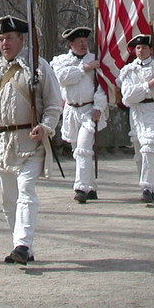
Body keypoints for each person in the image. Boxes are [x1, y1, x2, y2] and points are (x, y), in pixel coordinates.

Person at [0, 15, 62, 265]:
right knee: (9, 199)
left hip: (30, 143)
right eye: (1, 39)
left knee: (26, 191)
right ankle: (22, 247)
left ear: (22, 40)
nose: (5, 43)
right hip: (2, 143)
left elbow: (54, 105)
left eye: (9, 38)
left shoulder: (38, 67)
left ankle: (22, 244)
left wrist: (45, 127)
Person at [117, 34, 154, 203]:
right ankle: (143, 184)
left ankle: (148, 188)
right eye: (138, 48)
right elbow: (128, 97)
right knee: (139, 152)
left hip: (152, 110)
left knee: (149, 147)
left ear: (151, 50)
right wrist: (147, 85)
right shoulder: (128, 71)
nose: (141, 51)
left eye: (144, 47)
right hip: (136, 112)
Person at [50, 26, 106, 203]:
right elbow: (62, 78)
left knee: (83, 148)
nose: (83, 44)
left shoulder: (96, 60)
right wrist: (85, 68)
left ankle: (81, 187)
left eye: (85, 41)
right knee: (78, 151)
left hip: (89, 110)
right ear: (71, 44)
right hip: (71, 111)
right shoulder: (61, 61)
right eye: (79, 42)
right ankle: (91, 187)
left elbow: (103, 87)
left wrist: (99, 107)